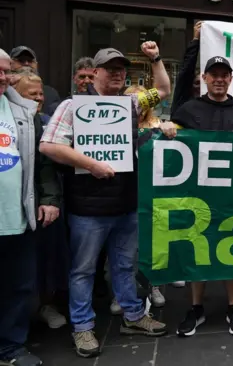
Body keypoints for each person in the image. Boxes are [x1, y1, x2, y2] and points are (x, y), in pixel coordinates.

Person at [39, 42, 170, 358]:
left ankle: (134, 316)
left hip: (126, 204)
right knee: (83, 270)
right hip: (88, 209)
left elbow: (163, 89)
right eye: (110, 68)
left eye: (121, 69)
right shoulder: (74, 106)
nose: (117, 73)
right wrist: (90, 164)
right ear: (93, 73)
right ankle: (83, 328)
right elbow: (48, 145)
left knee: (125, 266)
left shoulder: (131, 104)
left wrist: (155, 58)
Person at [159, 55, 233, 338]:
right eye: (213, 74)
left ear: (230, 79)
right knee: (198, 250)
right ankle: (196, 308)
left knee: (232, 250)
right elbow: (169, 145)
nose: (219, 79)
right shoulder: (188, 109)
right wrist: (166, 130)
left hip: (232, 198)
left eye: (224, 74)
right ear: (204, 78)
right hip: (197, 196)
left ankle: (232, 307)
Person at [0, 48, 62, 366]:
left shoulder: (23, 113)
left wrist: (49, 200)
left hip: (18, 217)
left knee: (18, 285)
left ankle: (10, 348)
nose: (2, 76)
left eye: (4, 70)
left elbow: (43, 166)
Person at [14, 73, 70, 330]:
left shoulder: (43, 122)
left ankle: (45, 305)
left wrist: (49, 200)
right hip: (10, 206)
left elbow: (46, 167)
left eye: (40, 94)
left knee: (46, 259)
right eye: (31, 94)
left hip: (37, 204)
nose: (39, 98)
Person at [10, 46, 60, 116]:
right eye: (21, 60)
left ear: (36, 65)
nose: (26, 64)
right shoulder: (3, 92)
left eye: (30, 61)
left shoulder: (50, 94)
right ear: (10, 64)